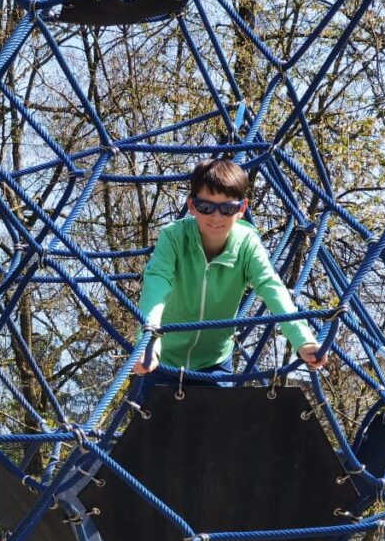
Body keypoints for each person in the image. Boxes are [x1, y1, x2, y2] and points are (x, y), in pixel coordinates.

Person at [134, 158, 327, 389]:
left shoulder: (247, 244)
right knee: (150, 423)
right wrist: (147, 341)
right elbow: (156, 286)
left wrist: (302, 339)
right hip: (162, 359)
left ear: (241, 209)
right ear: (192, 206)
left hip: (213, 364)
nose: (216, 217)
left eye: (227, 209)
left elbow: (270, 286)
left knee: (219, 424)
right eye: (206, 207)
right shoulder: (174, 237)